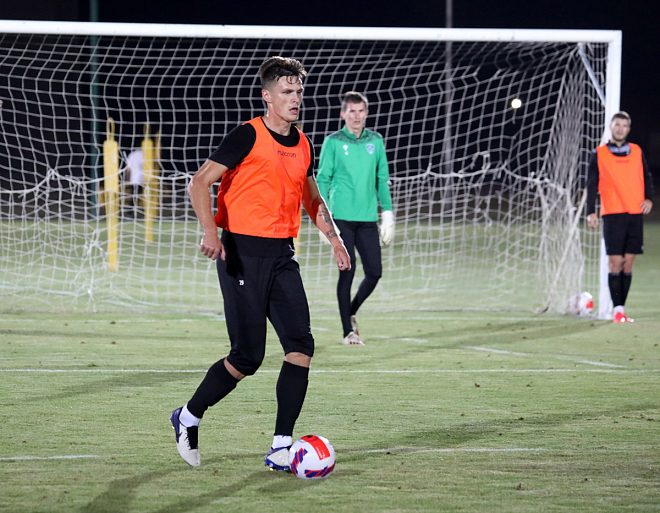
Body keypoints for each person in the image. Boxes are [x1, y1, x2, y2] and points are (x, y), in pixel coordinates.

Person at [170, 56, 350, 470]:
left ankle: (281, 446)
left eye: (299, 92)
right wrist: (210, 232)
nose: (295, 99)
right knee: (247, 358)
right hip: (241, 255)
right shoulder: (247, 135)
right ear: (267, 96)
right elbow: (199, 182)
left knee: (301, 346)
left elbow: (311, 197)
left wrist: (335, 239)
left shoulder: (303, 144)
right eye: (286, 92)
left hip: (282, 256)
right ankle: (188, 416)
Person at [316, 91, 394, 345]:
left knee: (375, 272)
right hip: (341, 219)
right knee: (347, 273)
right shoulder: (333, 142)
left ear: (366, 113)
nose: (356, 116)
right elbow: (322, 179)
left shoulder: (376, 141)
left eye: (361, 111)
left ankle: (349, 311)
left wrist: (388, 213)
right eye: (352, 111)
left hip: (367, 219)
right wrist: (323, 216)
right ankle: (347, 332)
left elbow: (382, 179)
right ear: (343, 114)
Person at [586, 111, 654, 323]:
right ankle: (617, 311)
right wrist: (590, 211)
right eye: (617, 125)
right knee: (615, 263)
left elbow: (646, 176)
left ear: (628, 129)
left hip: (634, 214)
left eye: (624, 126)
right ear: (611, 127)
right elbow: (591, 184)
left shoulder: (636, 151)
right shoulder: (599, 153)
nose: (620, 129)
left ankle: (621, 309)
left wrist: (649, 198)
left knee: (628, 264)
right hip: (613, 214)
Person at [124, 148, 144, 218]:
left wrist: (127, 178)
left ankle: (130, 212)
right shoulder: (142, 154)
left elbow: (128, 168)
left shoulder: (131, 155)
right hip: (141, 179)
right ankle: (130, 213)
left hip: (133, 179)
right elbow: (144, 165)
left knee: (135, 196)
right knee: (137, 196)